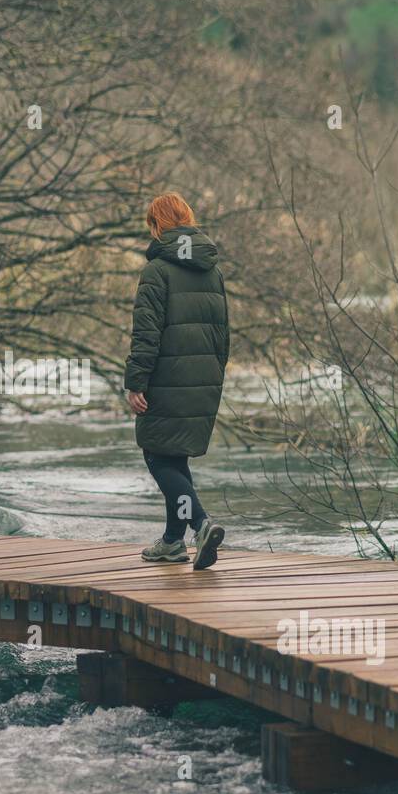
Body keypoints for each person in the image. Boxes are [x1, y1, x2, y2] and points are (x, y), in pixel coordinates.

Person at [124, 192, 229, 569]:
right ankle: (172, 540)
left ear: (157, 225)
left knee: (156, 454)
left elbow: (146, 332)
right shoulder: (212, 270)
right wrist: (214, 376)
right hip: (204, 378)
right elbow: (223, 335)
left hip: (166, 377)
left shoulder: (157, 271)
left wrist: (136, 381)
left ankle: (201, 523)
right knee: (174, 456)